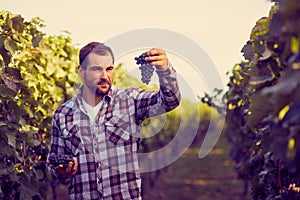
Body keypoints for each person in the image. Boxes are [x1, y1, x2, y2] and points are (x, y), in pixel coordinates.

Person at [47, 42, 181, 200]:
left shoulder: (130, 101)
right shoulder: (63, 114)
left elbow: (170, 101)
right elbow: (55, 162)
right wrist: (61, 170)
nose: (105, 76)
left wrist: (164, 70)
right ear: (81, 72)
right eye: (97, 69)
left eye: (109, 69)